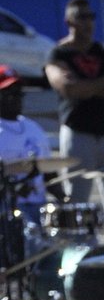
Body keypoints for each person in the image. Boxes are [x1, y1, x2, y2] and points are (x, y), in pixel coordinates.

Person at [45, 0, 104, 239]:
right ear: (68, 21)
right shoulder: (58, 53)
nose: (88, 23)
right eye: (81, 17)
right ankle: (80, 248)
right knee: (77, 199)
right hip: (78, 132)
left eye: (90, 17)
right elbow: (69, 89)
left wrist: (88, 86)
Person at [0, 67, 50, 215]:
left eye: (19, 93)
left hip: (39, 207)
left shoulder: (34, 128)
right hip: (6, 210)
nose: (17, 98)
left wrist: (64, 198)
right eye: (10, 94)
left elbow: (48, 169)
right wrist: (12, 189)